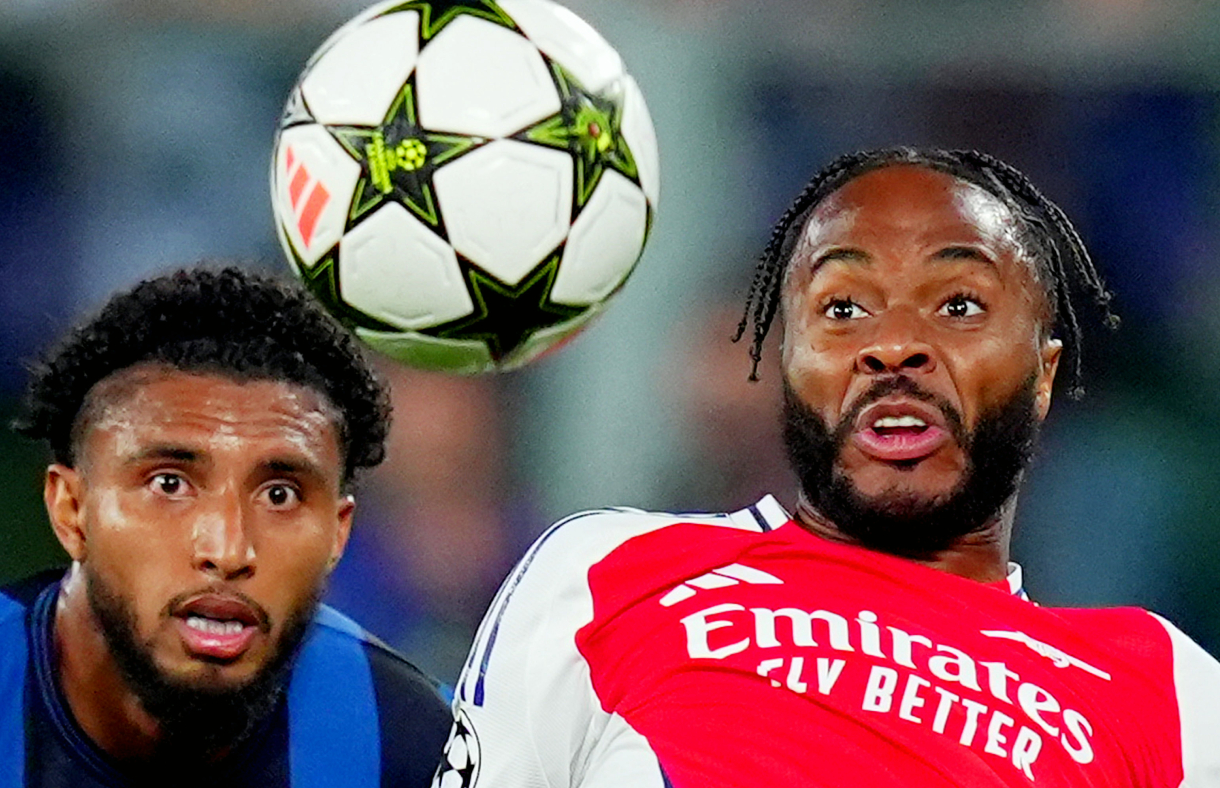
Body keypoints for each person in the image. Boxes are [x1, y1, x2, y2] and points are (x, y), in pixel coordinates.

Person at [434, 148, 1220, 788]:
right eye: (843, 308)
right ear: (788, 362)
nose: (894, 345)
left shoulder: (1166, 693)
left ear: (1042, 374)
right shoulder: (607, 572)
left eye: (958, 306)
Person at [0, 266, 451, 786]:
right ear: (71, 509)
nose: (227, 548)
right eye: (169, 484)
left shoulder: (414, 744)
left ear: (339, 533)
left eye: (279, 495)